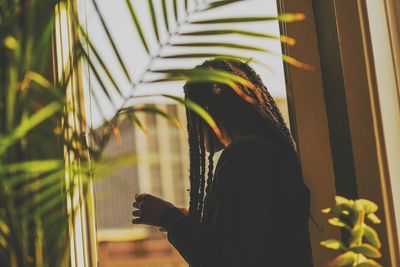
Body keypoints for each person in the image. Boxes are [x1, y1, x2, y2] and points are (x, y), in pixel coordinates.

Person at [132, 59, 313, 267]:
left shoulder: (244, 155)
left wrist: (170, 217)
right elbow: (249, 232)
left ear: (209, 111)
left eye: (193, 113)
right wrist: (201, 219)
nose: (191, 126)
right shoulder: (264, 151)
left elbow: (223, 258)